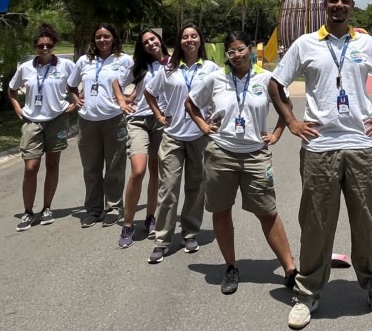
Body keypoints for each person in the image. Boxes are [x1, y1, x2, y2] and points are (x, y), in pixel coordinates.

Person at [268, 0, 372, 330]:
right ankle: (307, 292)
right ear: (324, 5)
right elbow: (275, 83)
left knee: (366, 220)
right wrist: (291, 121)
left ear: (352, 6)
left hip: (360, 146)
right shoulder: (306, 44)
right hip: (319, 148)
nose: (339, 5)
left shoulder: (367, 44)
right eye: (333, 0)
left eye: (345, 0)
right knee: (315, 223)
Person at [185, 31, 297, 296]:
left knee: (267, 211)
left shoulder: (267, 78)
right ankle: (231, 266)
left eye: (240, 49)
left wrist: (277, 133)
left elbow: (287, 106)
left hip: (256, 155)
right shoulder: (215, 78)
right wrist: (203, 126)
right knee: (221, 210)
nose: (236, 55)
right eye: (231, 51)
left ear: (250, 49)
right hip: (221, 153)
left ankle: (290, 269)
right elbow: (191, 103)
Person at [144, 22, 221, 262]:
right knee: (168, 189)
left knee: (196, 188)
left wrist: (214, 117)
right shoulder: (168, 68)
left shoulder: (211, 68)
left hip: (200, 136)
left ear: (200, 40)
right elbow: (149, 91)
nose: (189, 40)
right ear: (179, 41)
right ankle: (162, 238)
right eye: (185, 37)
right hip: (174, 135)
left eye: (194, 36)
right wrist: (158, 115)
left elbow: (222, 95)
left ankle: (189, 232)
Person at [7, 23, 77, 231]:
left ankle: (47, 208)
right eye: (40, 46)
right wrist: (19, 110)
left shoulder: (65, 66)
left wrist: (74, 103)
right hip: (32, 121)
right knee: (31, 167)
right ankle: (28, 212)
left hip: (57, 119)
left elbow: (73, 87)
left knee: (52, 165)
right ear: (35, 47)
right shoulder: (26, 68)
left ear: (54, 44)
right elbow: (11, 90)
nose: (44, 49)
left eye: (48, 45)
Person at [68, 23, 130, 227]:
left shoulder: (124, 60)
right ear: (93, 40)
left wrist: (129, 99)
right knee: (91, 168)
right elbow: (71, 84)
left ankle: (113, 207)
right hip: (87, 121)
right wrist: (76, 100)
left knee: (114, 167)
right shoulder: (84, 61)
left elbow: (142, 79)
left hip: (113, 120)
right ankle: (94, 210)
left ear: (114, 38)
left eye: (106, 36)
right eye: (98, 37)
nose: (102, 40)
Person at [115, 26, 168, 248]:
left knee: (156, 172)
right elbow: (116, 82)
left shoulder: (173, 62)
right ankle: (128, 225)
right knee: (138, 171)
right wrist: (121, 100)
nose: (150, 44)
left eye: (153, 39)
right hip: (138, 120)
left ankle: (150, 217)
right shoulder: (139, 66)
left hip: (162, 122)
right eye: (145, 42)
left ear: (159, 40)